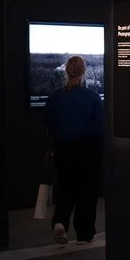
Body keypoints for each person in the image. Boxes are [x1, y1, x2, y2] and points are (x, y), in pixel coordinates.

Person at [45, 55, 104, 245]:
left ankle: (60, 222)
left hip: (63, 149)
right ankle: (84, 233)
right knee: (87, 191)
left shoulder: (53, 98)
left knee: (66, 189)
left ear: (66, 71)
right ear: (84, 71)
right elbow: (100, 128)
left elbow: (49, 126)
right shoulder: (93, 97)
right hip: (88, 149)